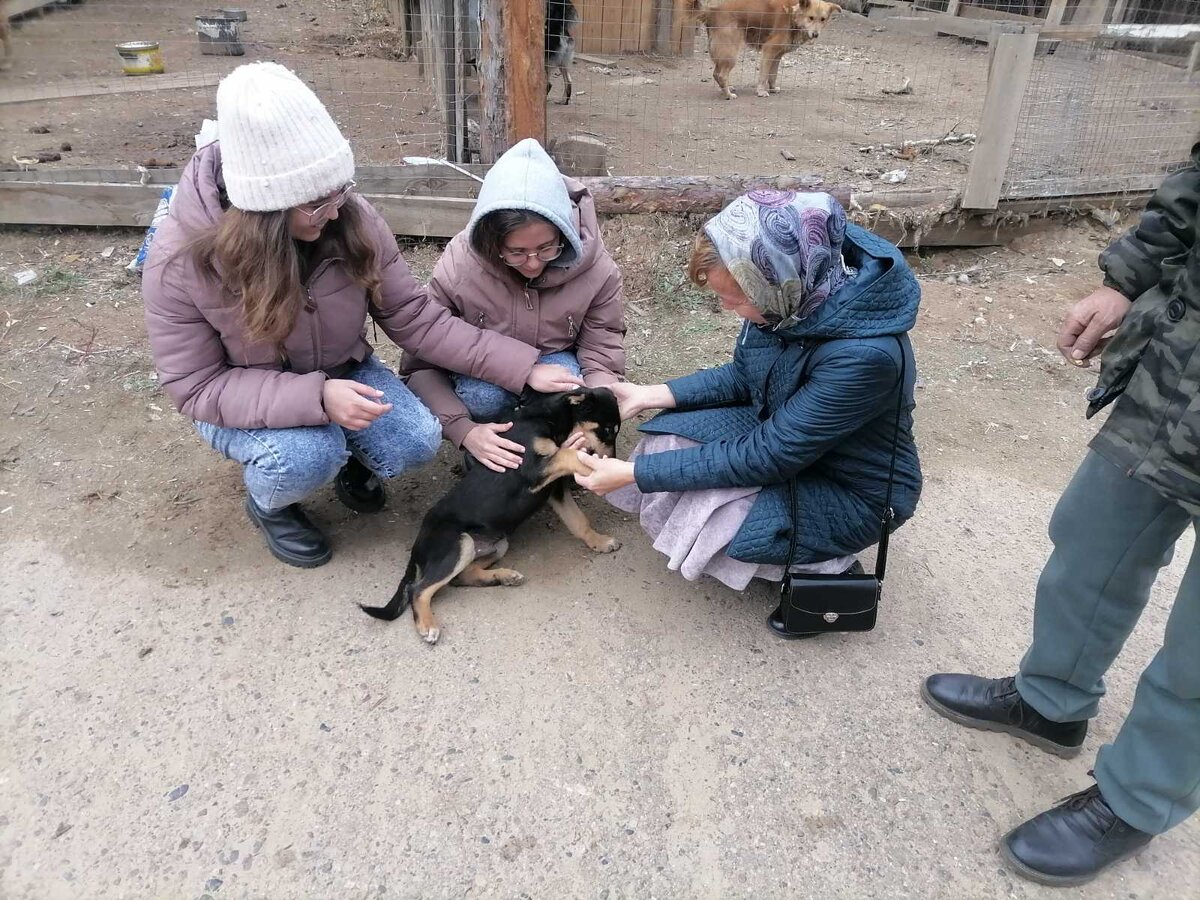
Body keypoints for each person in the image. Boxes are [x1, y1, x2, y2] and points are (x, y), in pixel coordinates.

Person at [142, 63, 581, 568]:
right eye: (316, 201)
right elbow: (195, 386)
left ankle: (355, 457)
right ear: (264, 207)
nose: (335, 209)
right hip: (243, 394)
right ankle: (272, 505)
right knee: (306, 455)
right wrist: (317, 397)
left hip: (340, 370)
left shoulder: (350, 218)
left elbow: (415, 317)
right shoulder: (182, 261)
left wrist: (522, 365)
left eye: (341, 188)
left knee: (417, 439)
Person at [922, 142, 1200, 887]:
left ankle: (1136, 799)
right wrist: (1126, 281)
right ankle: (1051, 703)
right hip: (1181, 364)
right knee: (1090, 537)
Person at [573, 191, 922, 637]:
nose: (728, 309)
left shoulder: (865, 357)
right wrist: (648, 394)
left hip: (851, 489)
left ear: (772, 280)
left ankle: (826, 566)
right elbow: (744, 375)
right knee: (665, 441)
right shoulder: (789, 300)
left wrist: (633, 474)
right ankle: (785, 546)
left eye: (735, 299)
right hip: (796, 444)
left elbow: (768, 456)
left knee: (715, 513)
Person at [402, 138, 625, 472]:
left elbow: (601, 350)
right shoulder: (460, 265)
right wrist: (465, 429)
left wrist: (592, 411)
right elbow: (422, 362)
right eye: (516, 252)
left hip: (557, 365)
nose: (533, 264)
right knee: (482, 397)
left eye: (547, 248)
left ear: (564, 231)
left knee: (574, 385)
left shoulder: (598, 270)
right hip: (484, 372)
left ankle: (553, 447)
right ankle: (493, 445)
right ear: (492, 242)